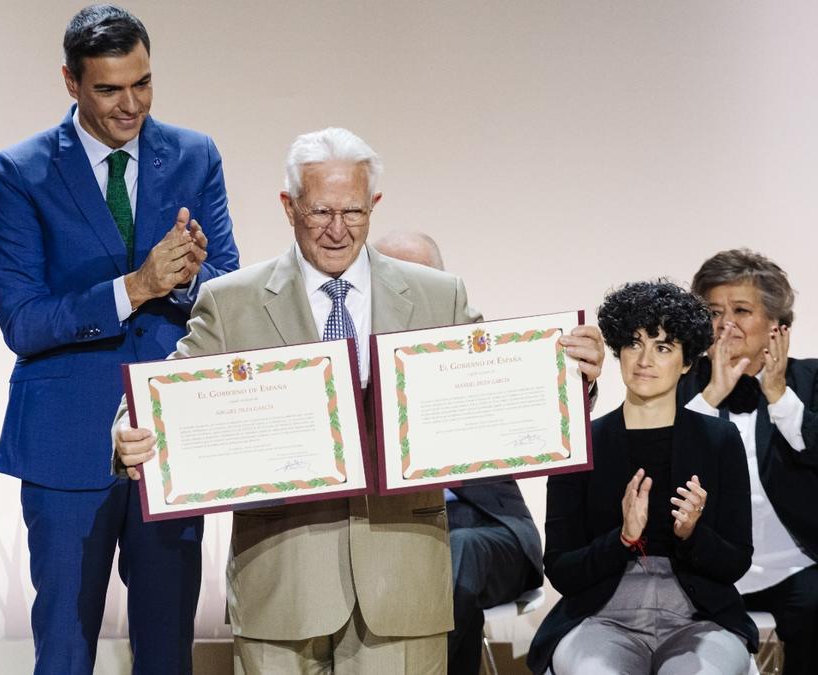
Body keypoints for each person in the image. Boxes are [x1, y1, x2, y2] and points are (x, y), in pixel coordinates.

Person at [116, 127, 603, 673]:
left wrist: (568, 376)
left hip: (403, 587)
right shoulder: (232, 302)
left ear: (374, 204)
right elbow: (161, 397)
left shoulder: (438, 294)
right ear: (289, 206)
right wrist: (128, 433)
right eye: (321, 212)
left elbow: (495, 388)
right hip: (281, 589)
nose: (338, 230)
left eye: (353, 212)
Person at [0, 4, 239, 673]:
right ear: (70, 81)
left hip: (173, 438)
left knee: (166, 650)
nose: (132, 105)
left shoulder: (195, 153)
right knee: (64, 651)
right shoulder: (18, 171)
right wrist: (139, 285)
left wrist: (188, 279)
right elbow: (24, 322)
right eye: (110, 89)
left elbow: (229, 291)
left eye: (144, 83)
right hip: (66, 445)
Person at [530, 281, 756, 674]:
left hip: (699, 617)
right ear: (618, 352)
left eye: (663, 347)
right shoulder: (580, 444)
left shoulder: (719, 439)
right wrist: (622, 539)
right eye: (634, 344)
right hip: (601, 616)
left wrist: (692, 533)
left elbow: (736, 561)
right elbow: (562, 569)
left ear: (687, 361)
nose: (645, 359)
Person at [375, 230, 546, 674]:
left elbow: (538, 398)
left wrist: (579, 383)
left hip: (489, 529)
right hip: (389, 537)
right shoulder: (352, 371)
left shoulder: (476, 359)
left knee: (456, 551)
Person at [677, 249, 818, 674]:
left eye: (741, 310)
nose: (725, 324)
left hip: (796, 566)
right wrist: (711, 397)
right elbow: (663, 465)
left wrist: (777, 395)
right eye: (714, 312)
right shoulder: (681, 386)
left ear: (777, 326)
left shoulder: (810, 381)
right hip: (708, 568)